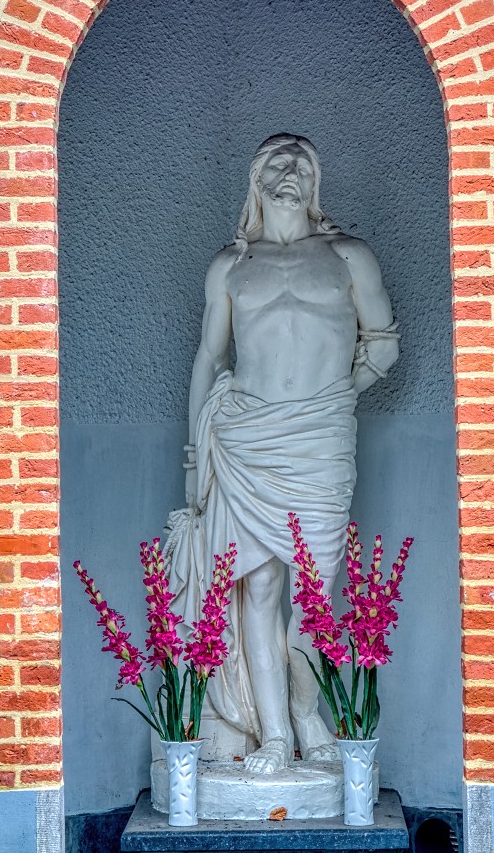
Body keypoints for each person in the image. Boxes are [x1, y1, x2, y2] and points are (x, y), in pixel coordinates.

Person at [167, 134, 399, 774]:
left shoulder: (349, 256)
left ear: (316, 179)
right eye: (276, 161)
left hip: (320, 438)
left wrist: (332, 400)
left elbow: (382, 344)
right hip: (246, 440)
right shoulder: (230, 265)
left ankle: (306, 711)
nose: (289, 171)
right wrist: (194, 461)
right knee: (259, 588)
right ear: (256, 179)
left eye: (301, 162)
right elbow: (210, 358)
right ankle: (275, 734)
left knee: (315, 597)